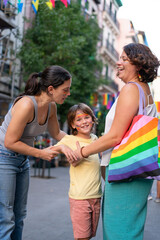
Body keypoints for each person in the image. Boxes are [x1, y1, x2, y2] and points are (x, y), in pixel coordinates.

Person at [74, 43, 160, 240]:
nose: (118, 62)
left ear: (138, 65)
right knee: (130, 230)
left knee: (118, 232)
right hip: (136, 173)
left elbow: (115, 136)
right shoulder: (145, 90)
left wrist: (82, 152)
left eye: (124, 59)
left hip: (125, 174)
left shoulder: (131, 89)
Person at [0, 65, 77, 240]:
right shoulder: (26, 104)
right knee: (6, 217)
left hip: (22, 160)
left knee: (19, 215)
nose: (68, 93)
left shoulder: (51, 107)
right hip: (3, 157)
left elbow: (57, 134)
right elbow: (10, 142)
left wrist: (80, 143)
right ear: (51, 89)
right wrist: (41, 153)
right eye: (65, 89)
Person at [54, 103, 102, 240]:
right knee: (82, 237)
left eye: (86, 117)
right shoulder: (70, 139)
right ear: (73, 125)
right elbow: (50, 151)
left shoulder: (95, 139)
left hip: (96, 196)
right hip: (80, 198)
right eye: (79, 120)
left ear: (92, 119)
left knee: (90, 235)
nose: (84, 122)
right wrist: (62, 147)